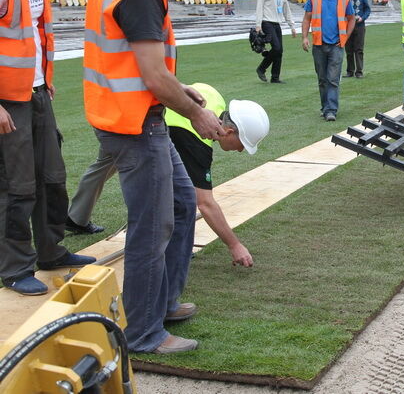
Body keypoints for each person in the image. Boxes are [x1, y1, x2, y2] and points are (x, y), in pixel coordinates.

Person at [83, 0, 223, 354]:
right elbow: (151, 75)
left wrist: (180, 86)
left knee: (182, 206)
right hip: (135, 124)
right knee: (152, 226)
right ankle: (143, 331)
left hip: (126, 117)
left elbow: (138, 62)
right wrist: (197, 112)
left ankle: (162, 302)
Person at [0, 0, 97, 297]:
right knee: (17, 186)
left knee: (52, 178)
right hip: (10, 103)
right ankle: (15, 266)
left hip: (37, 93)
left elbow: (35, 38)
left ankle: (51, 251)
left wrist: (45, 78)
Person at [69, 83, 270, 268]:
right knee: (165, 191)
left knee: (104, 165)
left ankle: (76, 217)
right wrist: (235, 245)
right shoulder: (196, 142)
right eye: (243, 144)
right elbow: (205, 203)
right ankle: (159, 249)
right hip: (138, 128)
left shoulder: (214, 97)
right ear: (229, 130)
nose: (241, 150)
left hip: (125, 115)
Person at [301, 0, 355, 122]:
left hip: (336, 45)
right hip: (318, 44)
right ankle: (325, 107)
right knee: (322, 78)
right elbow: (307, 18)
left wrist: (345, 36)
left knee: (332, 78)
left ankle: (331, 109)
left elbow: (351, 19)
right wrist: (304, 37)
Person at [255, 0, 296, 83]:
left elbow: (286, 10)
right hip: (267, 22)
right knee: (277, 48)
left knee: (280, 51)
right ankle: (261, 68)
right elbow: (259, 7)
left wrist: (292, 25)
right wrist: (258, 25)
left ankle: (275, 77)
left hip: (277, 23)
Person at [343, 0, 371, 78]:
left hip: (359, 25)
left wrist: (362, 18)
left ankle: (359, 72)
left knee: (359, 49)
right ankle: (350, 71)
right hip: (347, 26)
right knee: (349, 49)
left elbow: (367, 9)